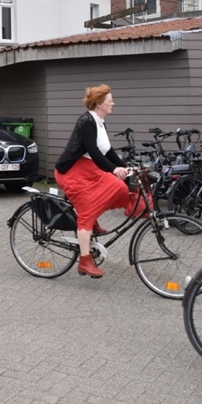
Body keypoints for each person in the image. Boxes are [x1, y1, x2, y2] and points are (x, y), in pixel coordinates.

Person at [54, 85, 130, 278]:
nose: (113, 103)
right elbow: (94, 152)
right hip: (72, 172)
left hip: (87, 170)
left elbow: (108, 150)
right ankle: (85, 260)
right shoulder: (87, 121)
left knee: (119, 188)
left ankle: (92, 218)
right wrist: (113, 169)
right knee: (87, 211)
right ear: (99, 104)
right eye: (110, 100)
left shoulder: (100, 122)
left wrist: (125, 167)